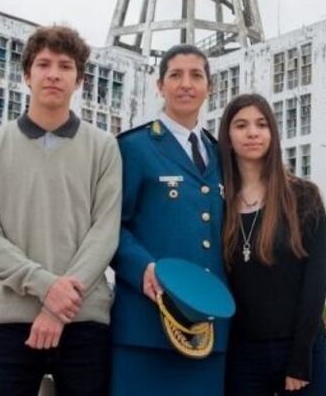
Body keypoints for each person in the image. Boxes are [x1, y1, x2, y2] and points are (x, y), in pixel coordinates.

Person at [0, 25, 122, 396]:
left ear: (79, 80)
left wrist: (57, 307)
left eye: (65, 66)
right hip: (12, 320)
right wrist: (46, 287)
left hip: (84, 322)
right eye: (43, 64)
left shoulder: (103, 148)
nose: (54, 74)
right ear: (27, 75)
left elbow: (104, 233)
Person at [110, 44, 229, 396]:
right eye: (175, 75)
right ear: (160, 86)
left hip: (208, 329)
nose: (186, 84)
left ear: (209, 87)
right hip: (145, 328)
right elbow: (110, 226)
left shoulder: (222, 155)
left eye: (196, 76)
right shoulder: (134, 148)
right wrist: (143, 268)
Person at [218, 93, 326, 396]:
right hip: (242, 356)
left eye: (261, 124)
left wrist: (300, 358)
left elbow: (317, 280)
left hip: (299, 350)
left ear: (272, 134)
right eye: (241, 125)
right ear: (227, 137)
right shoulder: (218, 204)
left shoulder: (303, 197)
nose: (252, 133)